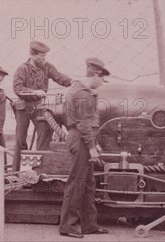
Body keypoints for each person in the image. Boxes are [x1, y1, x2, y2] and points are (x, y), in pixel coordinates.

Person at [59, 70, 108, 238]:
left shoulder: (85, 93)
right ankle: (68, 226)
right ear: (94, 75)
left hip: (84, 139)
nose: (102, 82)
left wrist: (95, 144)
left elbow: (88, 122)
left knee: (88, 184)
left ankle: (89, 224)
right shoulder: (81, 94)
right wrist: (92, 147)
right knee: (77, 183)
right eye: (101, 78)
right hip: (80, 140)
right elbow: (83, 123)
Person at [12, 41, 73, 170]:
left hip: (39, 108)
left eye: (45, 56)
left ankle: (39, 169)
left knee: (45, 133)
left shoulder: (47, 66)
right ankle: (17, 172)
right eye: (41, 56)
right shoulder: (22, 69)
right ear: (33, 55)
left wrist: (71, 81)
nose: (44, 59)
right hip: (23, 108)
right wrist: (34, 92)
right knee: (20, 139)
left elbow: (58, 77)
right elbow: (17, 88)